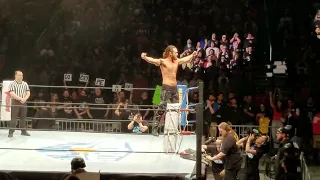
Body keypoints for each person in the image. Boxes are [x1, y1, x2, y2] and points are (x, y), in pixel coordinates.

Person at [141, 45, 197, 136]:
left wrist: (193, 55)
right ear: (170, 53)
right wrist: (145, 57)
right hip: (166, 88)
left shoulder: (176, 61)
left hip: (174, 89)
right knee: (161, 109)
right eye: (175, 52)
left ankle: (174, 128)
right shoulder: (163, 62)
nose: (177, 54)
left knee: (176, 109)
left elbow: (185, 59)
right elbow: (153, 60)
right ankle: (155, 129)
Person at [8, 70, 31, 138]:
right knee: (14, 117)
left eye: (22, 75)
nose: (21, 76)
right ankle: (11, 132)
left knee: (23, 117)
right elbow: (12, 93)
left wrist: (25, 99)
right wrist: (20, 99)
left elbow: (28, 93)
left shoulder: (25, 83)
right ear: (16, 76)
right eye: (20, 75)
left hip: (23, 102)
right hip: (15, 101)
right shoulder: (12, 84)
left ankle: (23, 131)